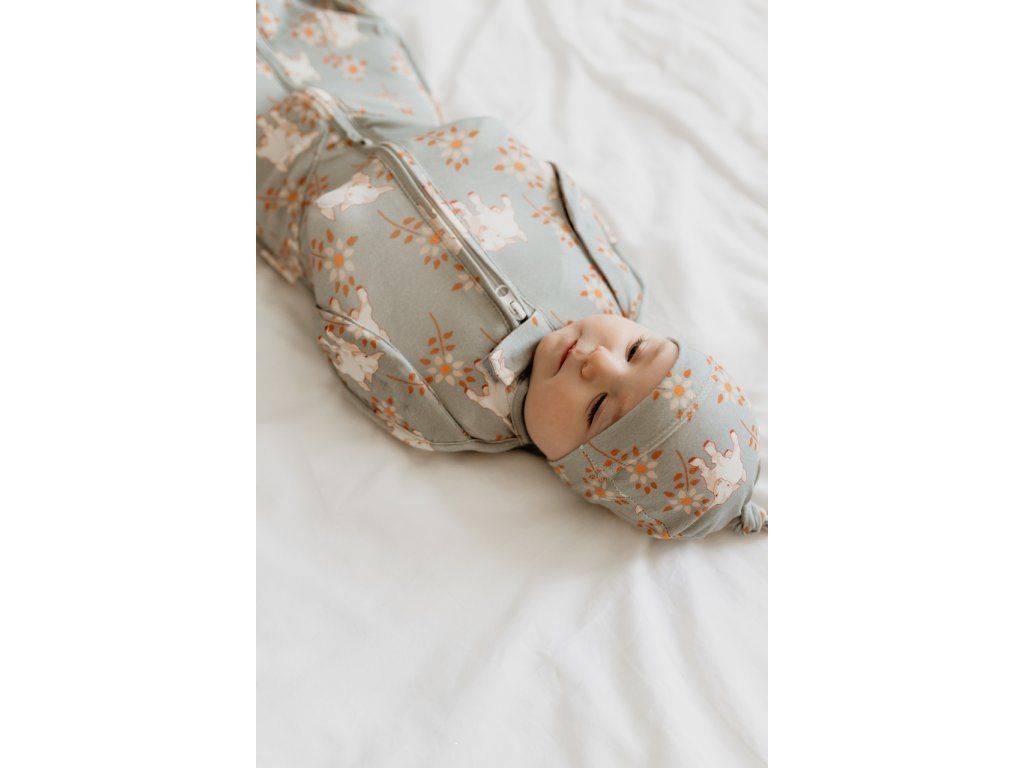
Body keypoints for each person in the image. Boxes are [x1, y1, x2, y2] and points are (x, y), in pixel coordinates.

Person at [256, 0, 767, 539]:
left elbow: (342, 331)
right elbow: (552, 188)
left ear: (568, 466)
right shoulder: (610, 281)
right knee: (326, 20)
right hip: (389, 102)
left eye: (597, 409)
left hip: (286, 180)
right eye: (637, 350)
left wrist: (336, 219)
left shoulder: (451, 417)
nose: (598, 361)